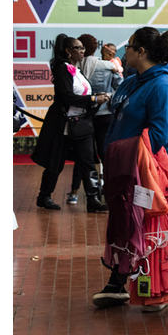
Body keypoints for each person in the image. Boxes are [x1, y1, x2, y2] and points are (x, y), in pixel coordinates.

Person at [93, 26, 168, 311]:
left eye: (130, 47)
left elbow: (157, 135)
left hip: (147, 172)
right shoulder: (132, 81)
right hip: (123, 167)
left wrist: (125, 154)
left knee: (148, 226)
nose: (124, 52)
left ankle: (153, 289)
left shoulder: (163, 86)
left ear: (142, 52)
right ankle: (119, 281)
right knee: (124, 221)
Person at [30, 33, 109, 212]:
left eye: (83, 48)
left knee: (88, 161)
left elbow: (81, 96)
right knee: (55, 162)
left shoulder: (77, 70)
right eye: (78, 48)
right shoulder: (62, 69)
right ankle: (44, 196)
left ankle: (93, 199)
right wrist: (93, 100)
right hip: (63, 125)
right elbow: (65, 96)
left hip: (82, 124)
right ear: (68, 51)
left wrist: (94, 100)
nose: (83, 51)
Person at [64, 33, 123, 206]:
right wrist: (105, 97)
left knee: (84, 156)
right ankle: (111, 192)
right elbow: (120, 90)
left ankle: (74, 193)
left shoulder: (72, 66)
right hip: (103, 116)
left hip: (83, 117)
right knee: (106, 156)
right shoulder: (108, 67)